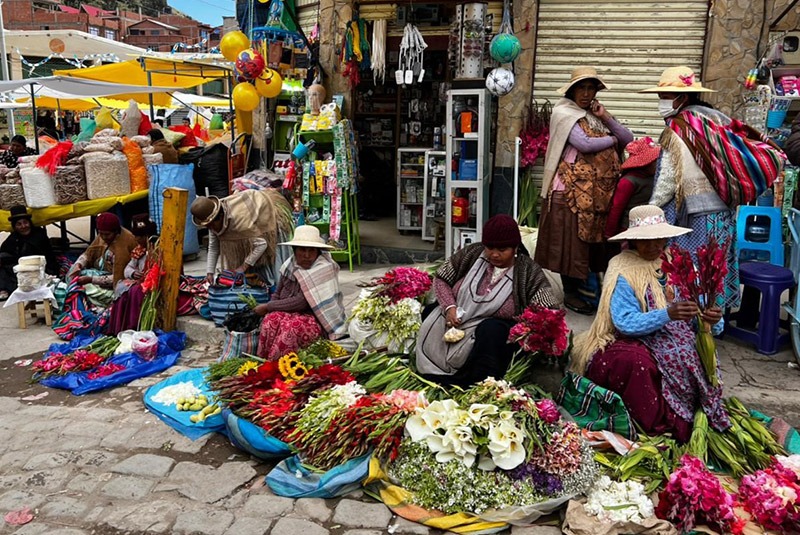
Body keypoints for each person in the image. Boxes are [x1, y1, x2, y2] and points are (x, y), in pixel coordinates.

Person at [572, 205, 730, 443]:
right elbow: (624, 322)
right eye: (646, 241)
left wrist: (711, 320)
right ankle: (658, 427)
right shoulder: (622, 267)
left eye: (659, 239)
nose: (655, 246)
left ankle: (697, 416)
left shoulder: (679, 264)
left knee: (691, 353)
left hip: (674, 336)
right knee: (639, 364)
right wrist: (667, 314)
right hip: (627, 337)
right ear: (634, 241)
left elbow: (701, 320)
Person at [416, 214, 560, 387]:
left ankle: (477, 382)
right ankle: (433, 367)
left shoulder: (528, 271)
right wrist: (449, 307)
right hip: (458, 319)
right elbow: (442, 278)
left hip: (493, 335)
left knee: (490, 330)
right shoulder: (472, 253)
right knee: (430, 311)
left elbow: (549, 312)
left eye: (502, 249)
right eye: (490, 248)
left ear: (515, 247)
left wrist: (527, 329)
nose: (495, 254)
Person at [534, 67, 634, 315]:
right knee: (571, 244)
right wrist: (612, 139)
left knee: (592, 243)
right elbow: (584, 144)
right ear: (572, 90)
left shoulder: (593, 115)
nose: (587, 94)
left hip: (596, 194)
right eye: (582, 88)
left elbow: (629, 139)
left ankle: (591, 290)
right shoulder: (563, 113)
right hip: (569, 192)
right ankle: (571, 293)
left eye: (591, 88)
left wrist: (607, 118)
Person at [641, 65, 741, 309]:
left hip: (693, 218)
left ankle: (694, 328)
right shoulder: (716, 119)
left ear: (681, 98)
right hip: (722, 214)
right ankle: (714, 324)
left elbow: (668, 179)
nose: (661, 103)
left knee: (691, 272)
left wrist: (650, 211)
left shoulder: (679, 127)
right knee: (714, 269)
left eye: (664, 97)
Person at [253, 225, 346, 360]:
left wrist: (268, 307)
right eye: (302, 250)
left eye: (311, 251)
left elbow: (301, 302)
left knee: (292, 328)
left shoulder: (324, 268)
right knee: (270, 320)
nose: (307, 255)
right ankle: (264, 362)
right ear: (294, 250)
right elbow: (278, 293)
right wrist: (271, 308)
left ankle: (279, 366)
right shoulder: (290, 265)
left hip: (317, 320)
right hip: (291, 314)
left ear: (318, 252)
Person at [191, 189, 293, 288]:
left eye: (212, 225)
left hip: (265, 219)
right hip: (252, 234)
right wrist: (210, 272)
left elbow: (262, 245)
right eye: (208, 227)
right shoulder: (212, 223)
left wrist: (243, 267)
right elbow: (214, 247)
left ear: (220, 216)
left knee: (272, 276)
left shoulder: (241, 223)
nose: (211, 229)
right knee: (246, 276)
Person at [66, 212, 138, 307]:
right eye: (101, 234)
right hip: (101, 273)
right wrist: (79, 264)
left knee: (85, 288)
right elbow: (88, 253)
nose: (103, 237)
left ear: (116, 231)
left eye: (107, 234)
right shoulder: (102, 236)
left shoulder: (126, 243)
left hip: (116, 285)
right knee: (72, 273)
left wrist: (91, 280)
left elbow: (120, 277)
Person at [604, 137, 660, 238]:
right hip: (629, 229)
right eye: (654, 162)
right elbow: (617, 208)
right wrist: (610, 233)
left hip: (648, 226)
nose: (658, 164)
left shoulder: (654, 177)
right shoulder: (628, 182)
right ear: (645, 163)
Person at [0, 206, 58, 299]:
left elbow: (49, 256)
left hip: (40, 270)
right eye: (19, 224)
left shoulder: (39, 235)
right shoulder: (13, 239)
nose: (23, 226)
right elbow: (5, 252)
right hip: (21, 272)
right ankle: (4, 289)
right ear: (14, 227)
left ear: (29, 222)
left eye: (25, 222)